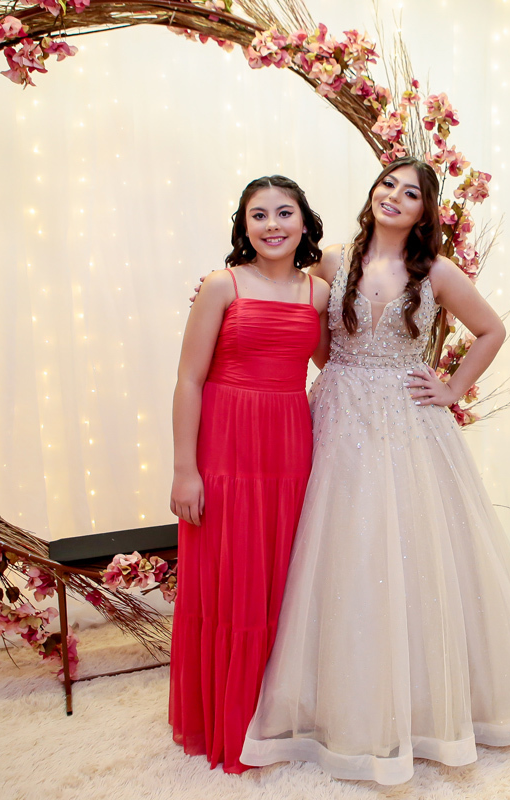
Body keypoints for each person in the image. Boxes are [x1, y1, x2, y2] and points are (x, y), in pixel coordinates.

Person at [238, 157, 510, 784]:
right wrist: (229, 301)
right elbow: (299, 321)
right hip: (339, 414)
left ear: (426, 211)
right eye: (387, 184)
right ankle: (335, 701)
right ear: (372, 192)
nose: (394, 196)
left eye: (411, 192)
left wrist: (451, 388)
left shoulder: (438, 272)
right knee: (340, 551)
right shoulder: (331, 261)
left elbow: (492, 330)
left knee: (414, 553)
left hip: (407, 422)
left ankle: (424, 703)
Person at [169, 176, 331, 773]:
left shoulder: (318, 294)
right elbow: (189, 379)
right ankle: (226, 719)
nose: (271, 225)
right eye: (258, 215)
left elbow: (337, 365)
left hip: (289, 445)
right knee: (228, 578)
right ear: (243, 226)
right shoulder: (222, 285)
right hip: (226, 446)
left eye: (284, 213)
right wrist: (185, 469)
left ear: (304, 222)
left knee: (281, 577)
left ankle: (278, 718)